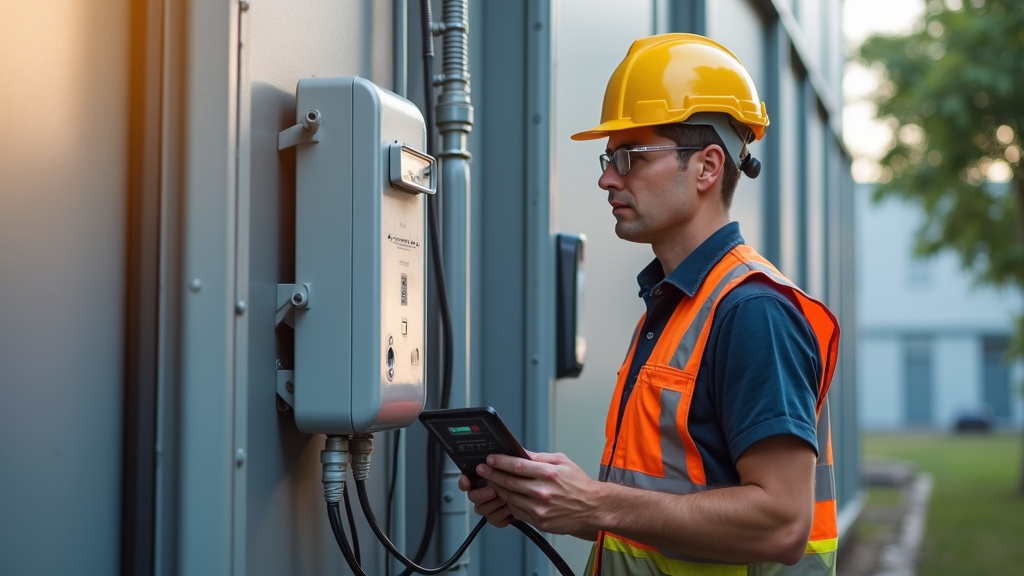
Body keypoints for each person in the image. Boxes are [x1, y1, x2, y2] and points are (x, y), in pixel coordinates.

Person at [459, 33, 840, 575]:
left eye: (630, 156)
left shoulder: (752, 311)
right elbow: (673, 510)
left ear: (708, 167)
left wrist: (595, 502)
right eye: (608, 156)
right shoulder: (677, 306)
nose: (606, 177)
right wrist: (560, 501)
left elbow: (781, 524)